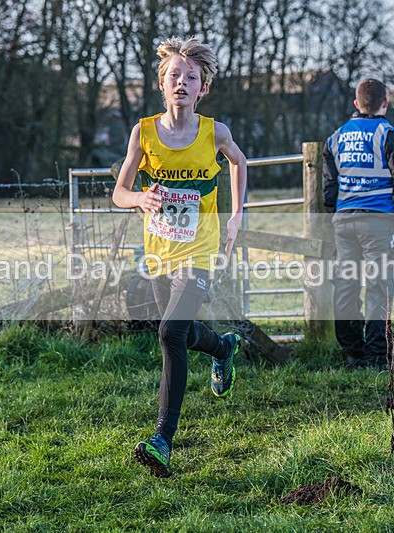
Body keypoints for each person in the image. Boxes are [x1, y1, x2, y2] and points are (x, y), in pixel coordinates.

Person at [112, 37, 247, 477]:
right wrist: (139, 199)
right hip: (159, 251)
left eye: (191, 77)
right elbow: (119, 192)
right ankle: (222, 347)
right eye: (175, 75)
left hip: (200, 249)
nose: (182, 83)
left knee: (170, 332)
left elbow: (239, 163)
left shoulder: (214, 132)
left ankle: (162, 440)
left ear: (203, 88)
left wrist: (236, 216)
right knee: (182, 332)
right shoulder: (143, 133)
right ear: (162, 83)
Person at [322, 78, 394, 370]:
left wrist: (336, 213)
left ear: (356, 103)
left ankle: (353, 353)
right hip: (378, 222)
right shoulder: (391, 136)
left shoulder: (335, 138)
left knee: (346, 286)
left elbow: (329, 187)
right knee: (379, 287)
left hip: (344, 221)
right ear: (385, 103)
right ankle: (377, 357)